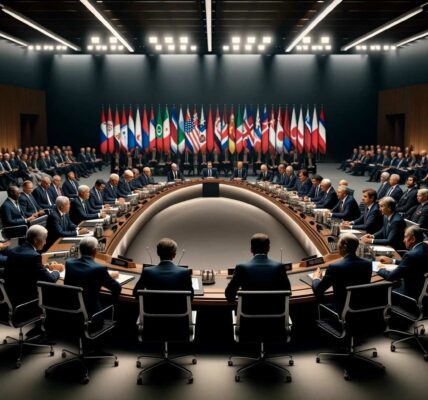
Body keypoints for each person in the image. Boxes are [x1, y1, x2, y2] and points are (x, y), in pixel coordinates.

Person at [4, 225, 63, 307]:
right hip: (27, 298)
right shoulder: (34, 256)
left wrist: (45, 266)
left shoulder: (14, 250)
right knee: (59, 290)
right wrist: (56, 271)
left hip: (11, 292)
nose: (45, 242)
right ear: (35, 240)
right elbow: (50, 279)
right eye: (44, 239)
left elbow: (25, 267)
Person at [311, 233, 372, 312]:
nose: (337, 247)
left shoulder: (334, 267)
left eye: (339, 244)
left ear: (344, 247)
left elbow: (318, 290)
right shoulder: (367, 264)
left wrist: (316, 278)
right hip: (362, 310)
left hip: (340, 312)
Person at [64, 236, 121, 318]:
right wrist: (107, 276)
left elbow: (83, 276)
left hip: (70, 314)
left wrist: (104, 276)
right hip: (92, 317)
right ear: (95, 251)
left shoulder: (69, 263)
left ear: (80, 249)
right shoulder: (99, 269)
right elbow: (117, 288)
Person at [225, 233, 291, 302]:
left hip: (248, 311)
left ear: (251, 249)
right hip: (275, 312)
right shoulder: (279, 267)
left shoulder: (241, 268)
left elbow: (229, 295)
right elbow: (288, 293)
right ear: (268, 248)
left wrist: (241, 292)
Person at [377, 226, 428, 298]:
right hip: (421, 290)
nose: (403, 240)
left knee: (379, 290)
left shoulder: (411, 255)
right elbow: (412, 263)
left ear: (413, 239)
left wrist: (379, 268)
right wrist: (393, 261)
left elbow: (391, 276)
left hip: (408, 293)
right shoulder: (424, 247)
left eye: (405, 237)